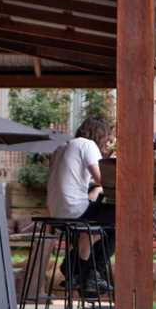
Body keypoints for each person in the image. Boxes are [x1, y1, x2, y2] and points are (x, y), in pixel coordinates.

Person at [47, 117, 115, 296]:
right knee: (122, 217)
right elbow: (102, 178)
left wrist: (96, 189)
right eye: (107, 137)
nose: (107, 141)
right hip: (74, 210)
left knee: (99, 222)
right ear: (99, 134)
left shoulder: (62, 148)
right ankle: (89, 272)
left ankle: (77, 270)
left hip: (57, 212)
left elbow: (81, 179)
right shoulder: (87, 145)